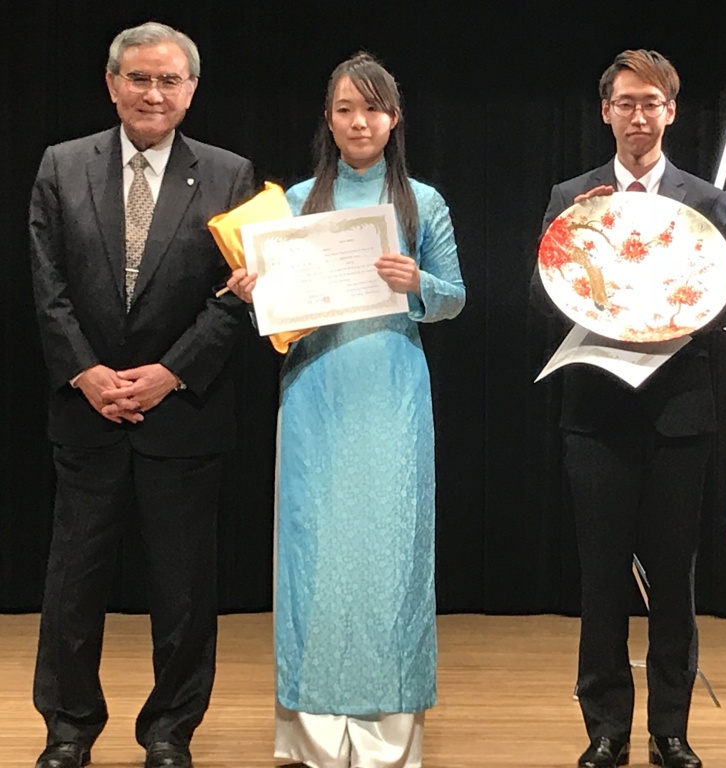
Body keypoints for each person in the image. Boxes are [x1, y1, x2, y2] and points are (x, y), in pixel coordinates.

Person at [227, 52, 465, 768]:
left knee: (391, 551)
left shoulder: (423, 200)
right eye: (344, 110)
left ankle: (390, 735)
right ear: (327, 121)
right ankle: (310, 733)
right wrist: (253, 294)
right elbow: (278, 321)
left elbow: (453, 298)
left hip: (391, 390)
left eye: (372, 108)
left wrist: (415, 277)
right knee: (313, 552)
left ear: (394, 119)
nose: (359, 122)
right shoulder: (295, 201)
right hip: (313, 392)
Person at [27, 21, 254, 768]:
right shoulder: (62, 166)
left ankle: (169, 731)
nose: (153, 94)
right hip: (85, 410)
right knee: (72, 583)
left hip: (182, 413)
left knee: (184, 589)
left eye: (169, 81)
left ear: (191, 91)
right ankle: (68, 729)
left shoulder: (231, 175)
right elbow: (47, 285)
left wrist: (170, 372)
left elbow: (237, 296)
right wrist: (87, 372)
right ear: (111, 82)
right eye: (139, 78)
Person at [535, 50, 726, 768]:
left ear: (672, 112)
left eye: (651, 102)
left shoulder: (707, 202)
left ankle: (671, 731)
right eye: (625, 103)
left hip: (680, 416)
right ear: (605, 112)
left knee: (675, 582)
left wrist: (668, 313)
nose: (638, 115)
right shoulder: (573, 197)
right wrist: (595, 301)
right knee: (599, 579)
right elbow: (543, 297)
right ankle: (605, 729)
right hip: (595, 415)